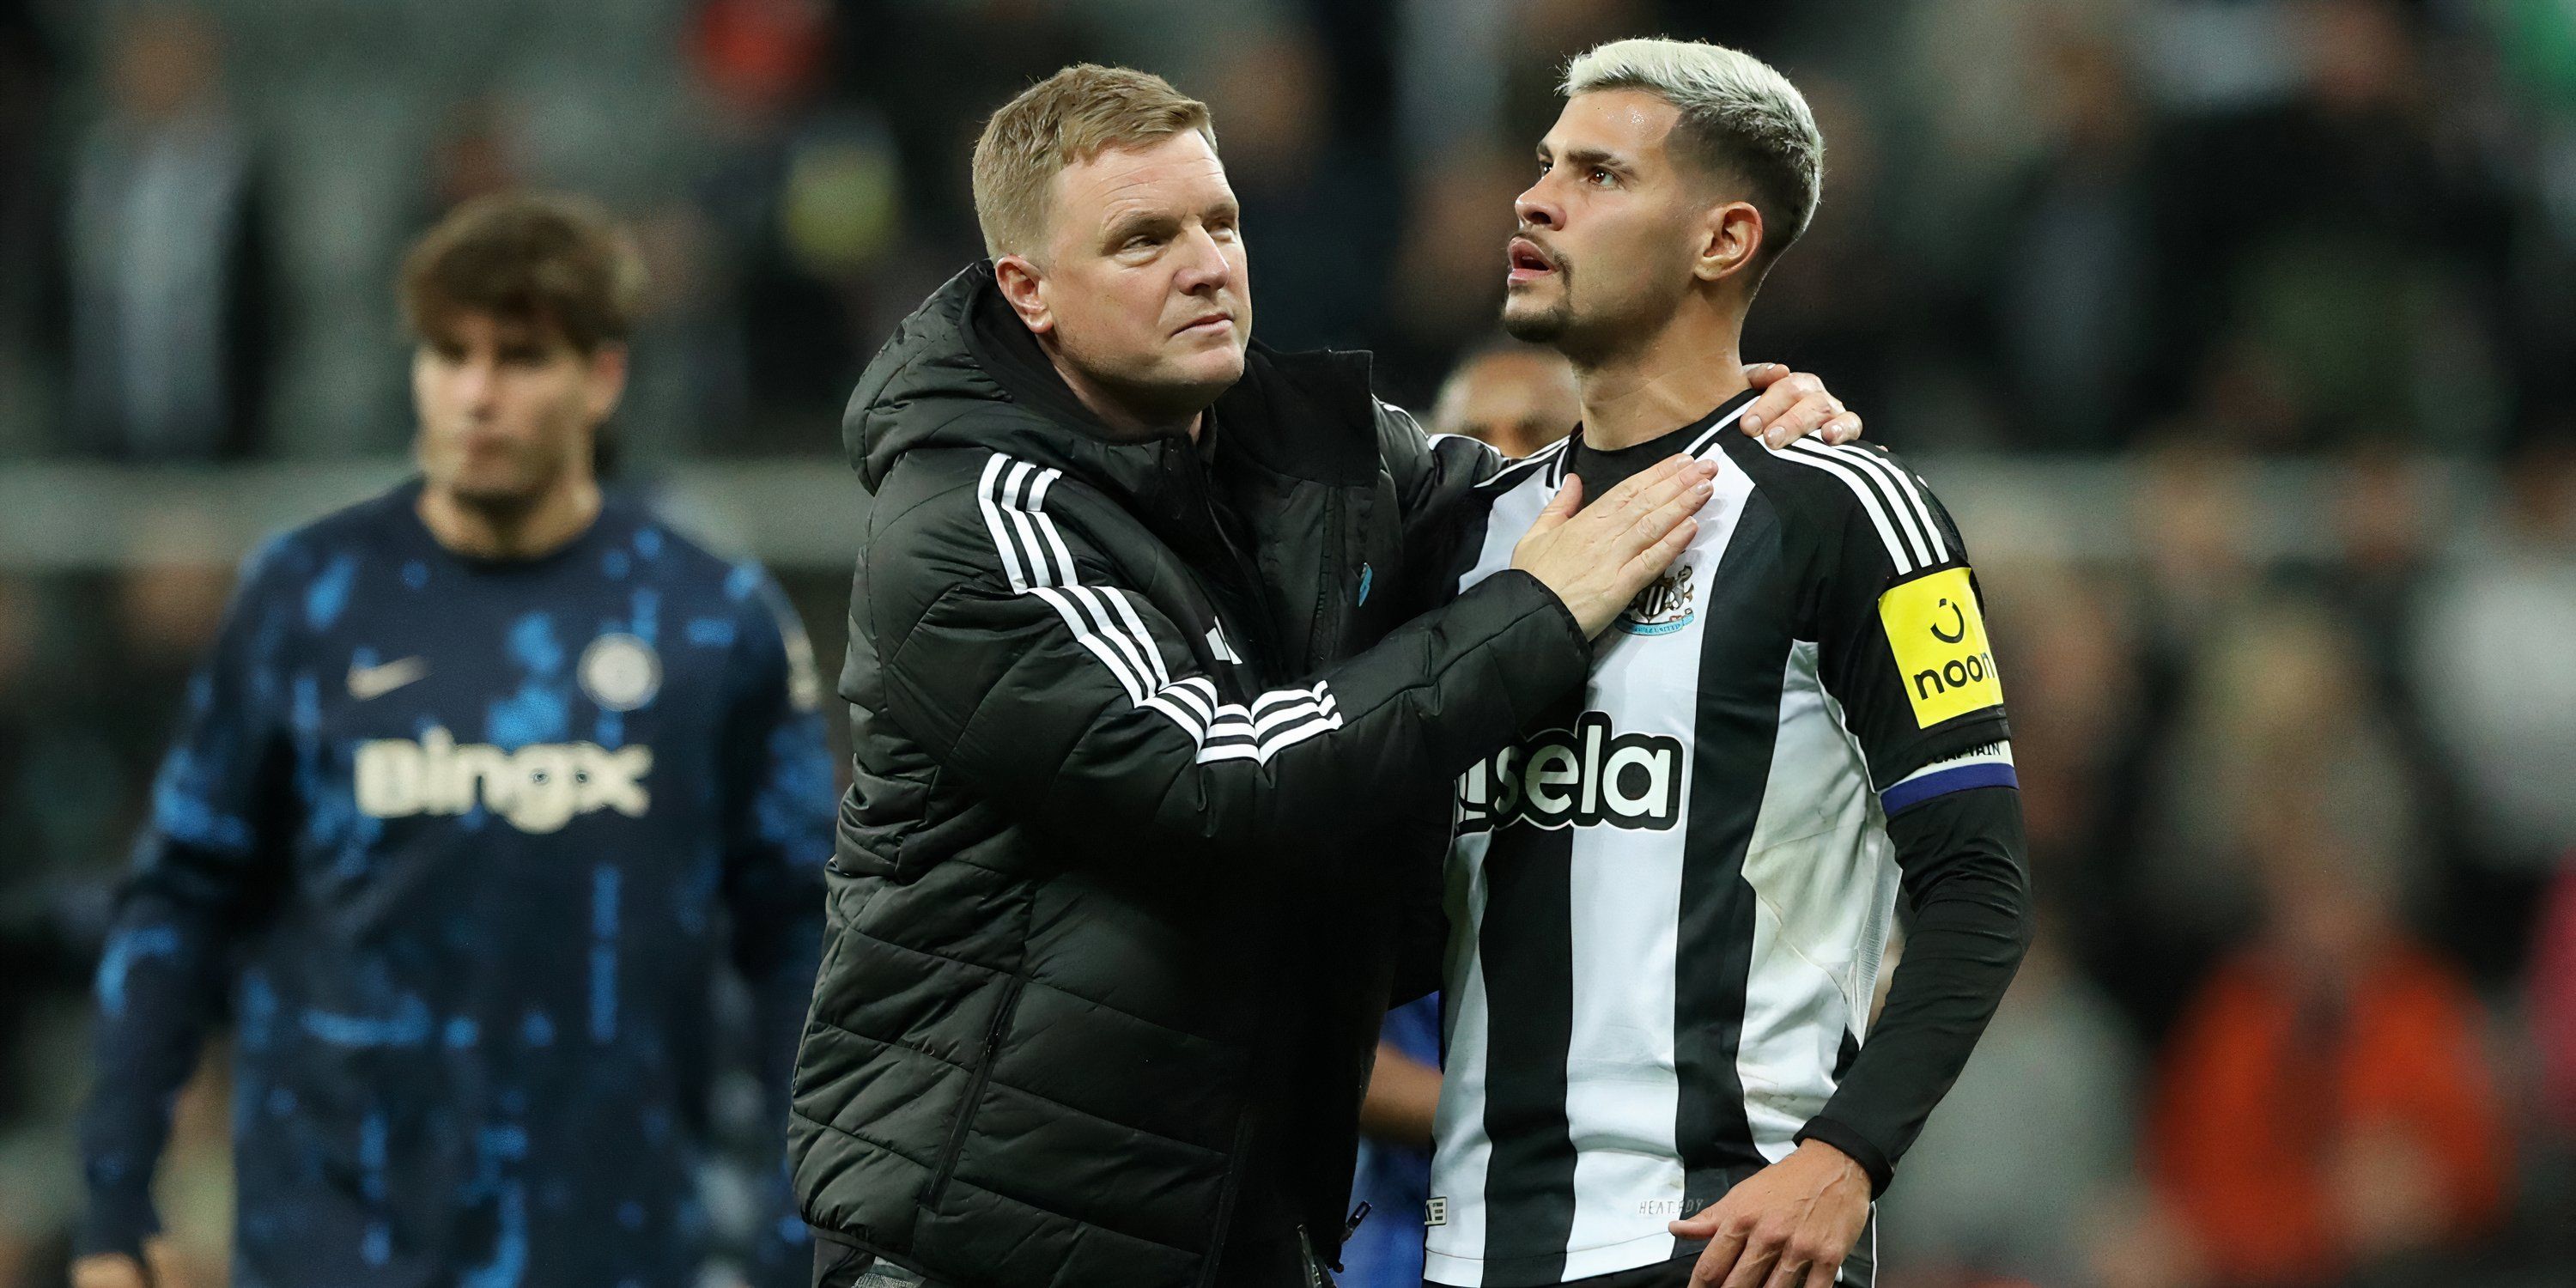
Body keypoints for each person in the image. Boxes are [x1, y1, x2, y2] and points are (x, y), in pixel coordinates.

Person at [787, 64, 1859, 1288]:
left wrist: (1740, 434)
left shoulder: (1314, 453)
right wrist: (1538, 613)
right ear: (1028, 290)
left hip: (1233, 1234)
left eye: (1219, 223)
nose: (1205, 264)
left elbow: (1548, 507)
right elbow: (1212, 778)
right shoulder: (976, 515)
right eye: (1144, 239)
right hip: (984, 1243)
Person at [75, 193, 835, 1288]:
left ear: (601, 377)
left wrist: (800, 1222)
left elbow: (800, 942)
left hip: (616, 1238)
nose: (476, 394)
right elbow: (180, 900)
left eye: (519, 359)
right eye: (447, 354)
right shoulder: (308, 599)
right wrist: (114, 1195)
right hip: (332, 1237)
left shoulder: (711, 620)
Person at [1413, 39, 2035, 1288]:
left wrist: (1848, 1155)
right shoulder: (1467, 530)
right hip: (1470, 1246)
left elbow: (1979, 887)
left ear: (1722, 239)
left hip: (1721, 1244)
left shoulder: (1850, 513)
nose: (1536, 200)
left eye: (1599, 173)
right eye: (1544, 166)